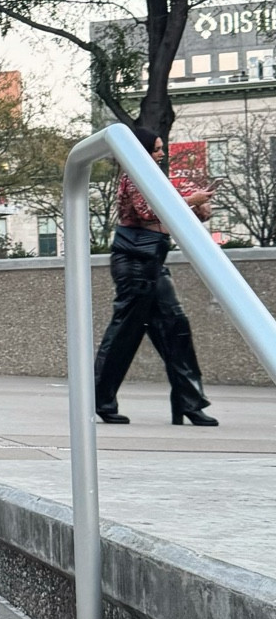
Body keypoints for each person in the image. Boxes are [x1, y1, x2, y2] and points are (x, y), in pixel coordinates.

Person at [95, 132, 217, 427]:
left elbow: (180, 213)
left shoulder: (157, 178)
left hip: (154, 261)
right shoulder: (134, 175)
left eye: (162, 149)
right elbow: (148, 211)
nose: (161, 154)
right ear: (143, 151)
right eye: (156, 149)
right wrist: (190, 200)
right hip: (135, 261)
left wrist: (200, 206)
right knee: (125, 331)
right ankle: (100, 399)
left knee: (176, 326)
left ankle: (188, 403)